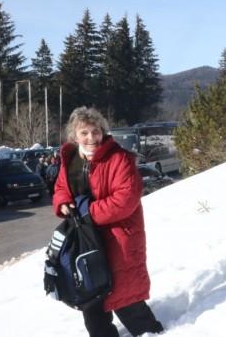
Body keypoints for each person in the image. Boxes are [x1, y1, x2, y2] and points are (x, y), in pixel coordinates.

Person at [52, 107, 163, 337]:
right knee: (92, 299)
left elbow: (125, 200)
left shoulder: (120, 158)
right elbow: (61, 187)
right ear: (75, 135)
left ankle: (151, 333)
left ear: (103, 131)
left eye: (96, 131)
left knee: (125, 297)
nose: (91, 137)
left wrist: (87, 212)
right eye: (84, 133)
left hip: (118, 236)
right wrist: (62, 202)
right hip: (85, 240)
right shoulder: (70, 158)